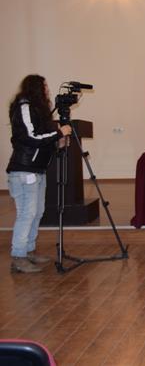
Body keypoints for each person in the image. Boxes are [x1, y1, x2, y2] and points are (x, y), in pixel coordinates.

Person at [7, 74, 72, 273]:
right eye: (45, 87)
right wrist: (59, 133)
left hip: (37, 170)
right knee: (27, 214)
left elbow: (43, 140)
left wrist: (58, 141)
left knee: (37, 212)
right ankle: (18, 256)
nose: (48, 91)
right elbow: (30, 137)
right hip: (24, 170)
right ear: (35, 88)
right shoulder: (24, 107)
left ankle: (28, 251)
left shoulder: (37, 111)